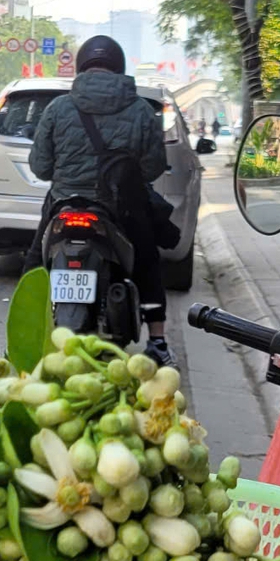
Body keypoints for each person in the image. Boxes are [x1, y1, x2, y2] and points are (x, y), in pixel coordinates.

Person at [25, 35, 176, 367]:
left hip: (65, 204)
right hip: (120, 209)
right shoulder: (139, 110)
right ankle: (158, 342)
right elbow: (152, 167)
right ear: (118, 67)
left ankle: (21, 332)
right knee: (148, 261)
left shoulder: (58, 108)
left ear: (81, 67)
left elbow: (40, 166)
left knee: (34, 263)